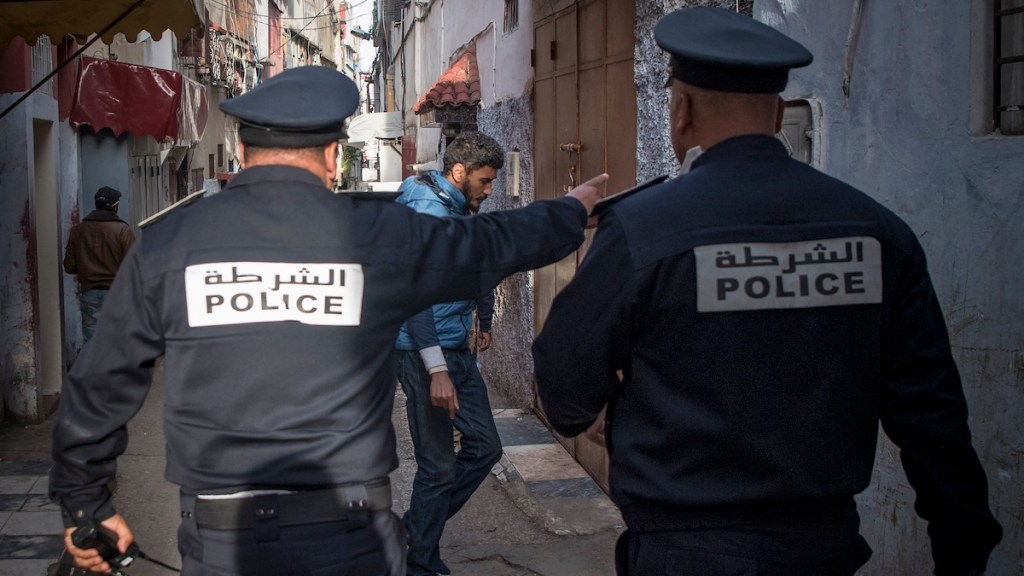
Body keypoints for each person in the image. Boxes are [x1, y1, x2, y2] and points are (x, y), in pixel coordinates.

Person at [50, 65, 609, 576]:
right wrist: (569, 209)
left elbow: (100, 383)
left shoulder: (168, 245)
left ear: (241, 151)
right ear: (332, 157)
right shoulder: (377, 238)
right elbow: (486, 244)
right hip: (350, 535)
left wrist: (86, 505)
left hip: (224, 542)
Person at [532, 7, 1002, 576]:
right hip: (823, 549)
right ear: (778, 114)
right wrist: (963, 544)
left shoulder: (643, 231)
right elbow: (932, 414)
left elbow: (563, 384)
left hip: (682, 551)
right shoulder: (877, 233)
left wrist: (609, 406)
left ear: (680, 112)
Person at [393, 131, 505, 576]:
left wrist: (486, 317)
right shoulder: (427, 213)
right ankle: (419, 561)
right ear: (459, 173)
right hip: (423, 355)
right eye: (485, 180)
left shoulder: (461, 207)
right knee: (438, 466)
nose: (490, 188)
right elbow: (416, 297)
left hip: (457, 346)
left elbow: (476, 262)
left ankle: (415, 531)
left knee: (486, 447)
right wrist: (436, 369)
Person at [63, 186, 135, 342]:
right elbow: (133, 266)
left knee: (91, 341)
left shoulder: (78, 230)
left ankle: (94, 367)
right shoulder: (123, 230)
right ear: (115, 206)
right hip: (117, 293)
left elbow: (69, 267)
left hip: (90, 294)